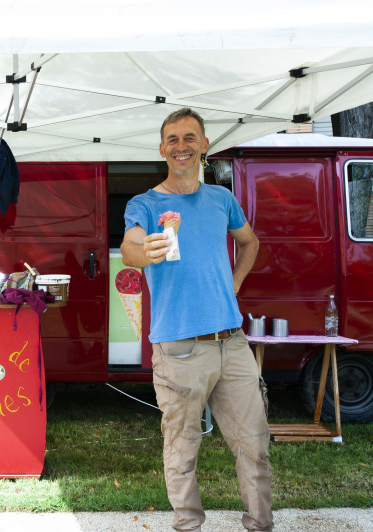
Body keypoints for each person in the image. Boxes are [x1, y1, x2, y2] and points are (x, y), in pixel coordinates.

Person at [121, 108, 272, 531]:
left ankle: (260, 525)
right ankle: (188, 526)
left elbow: (250, 243)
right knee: (182, 449)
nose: (181, 146)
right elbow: (131, 246)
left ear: (204, 146)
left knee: (254, 446)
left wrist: (235, 284)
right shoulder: (146, 204)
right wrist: (143, 250)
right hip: (180, 349)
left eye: (189, 138)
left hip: (233, 343)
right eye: (172, 139)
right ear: (162, 149)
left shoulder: (221, 199)